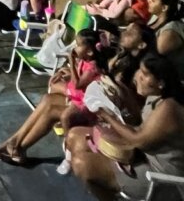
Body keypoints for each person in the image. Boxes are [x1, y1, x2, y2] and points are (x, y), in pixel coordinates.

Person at [67, 54, 184, 201]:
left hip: (161, 178)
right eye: (140, 70)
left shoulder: (169, 108)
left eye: (145, 74)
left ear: (161, 83)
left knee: (82, 164)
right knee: (74, 135)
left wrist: (106, 115)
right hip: (141, 157)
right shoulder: (156, 96)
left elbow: (138, 140)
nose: (138, 76)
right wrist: (124, 96)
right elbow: (139, 121)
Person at [0, 29, 104, 166]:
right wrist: (67, 72)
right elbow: (78, 79)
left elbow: (78, 85)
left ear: (89, 51)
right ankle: (14, 142)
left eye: (78, 45)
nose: (74, 48)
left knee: (51, 111)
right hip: (76, 101)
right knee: (48, 99)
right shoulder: (86, 60)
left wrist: (71, 62)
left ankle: (19, 147)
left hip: (85, 109)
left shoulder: (94, 67)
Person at [147, 0, 184, 79]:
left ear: (164, 8)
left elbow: (157, 52)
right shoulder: (155, 18)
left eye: (153, 0)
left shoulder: (171, 30)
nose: (148, 1)